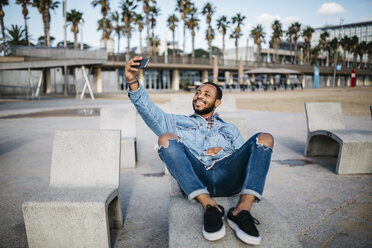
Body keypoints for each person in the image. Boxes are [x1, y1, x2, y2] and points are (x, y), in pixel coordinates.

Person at [125, 56, 273, 245]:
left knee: (265, 138)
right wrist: (132, 80)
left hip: (228, 179)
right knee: (165, 139)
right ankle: (210, 206)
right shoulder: (176, 122)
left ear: (217, 102)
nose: (199, 96)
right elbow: (148, 110)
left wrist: (223, 150)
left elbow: (244, 161)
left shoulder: (230, 129)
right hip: (197, 177)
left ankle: (241, 210)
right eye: (198, 92)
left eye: (206, 94)